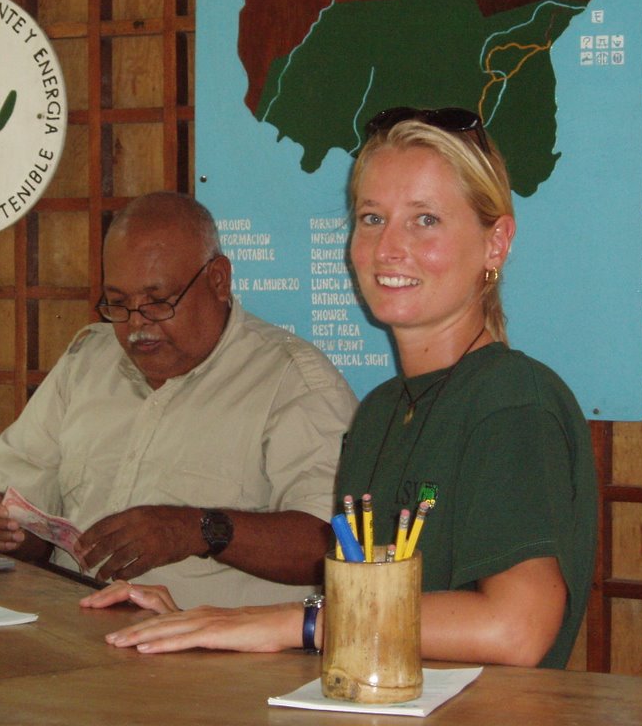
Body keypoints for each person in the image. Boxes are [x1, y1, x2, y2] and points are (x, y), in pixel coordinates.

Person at [81, 108, 598, 669]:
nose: (388, 247)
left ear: (496, 243)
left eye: (425, 220)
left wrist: (293, 623)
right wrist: (199, 619)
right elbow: (371, 618)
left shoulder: (513, 398)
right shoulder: (380, 413)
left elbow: (516, 628)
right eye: (372, 218)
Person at [0, 191, 358, 608]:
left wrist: (198, 530)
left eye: (158, 302)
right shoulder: (87, 360)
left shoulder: (293, 382)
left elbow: (333, 546)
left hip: (208, 644)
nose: (137, 324)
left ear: (218, 280)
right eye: (118, 303)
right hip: (72, 626)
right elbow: (25, 520)